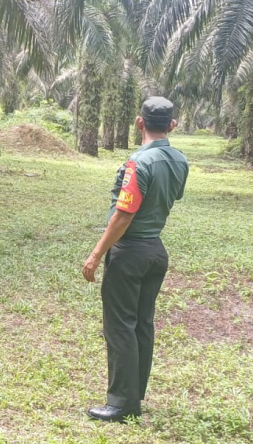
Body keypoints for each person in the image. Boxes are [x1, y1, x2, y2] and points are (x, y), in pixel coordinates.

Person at [82, 96, 189, 423]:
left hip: (129, 252)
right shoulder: (179, 161)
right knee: (142, 324)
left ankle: (122, 403)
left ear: (139, 123)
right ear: (172, 125)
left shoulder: (138, 164)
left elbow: (124, 214)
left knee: (120, 327)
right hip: (155, 250)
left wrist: (97, 253)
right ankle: (135, 393)